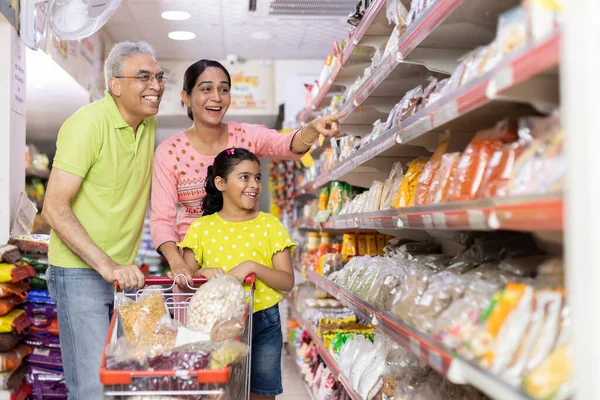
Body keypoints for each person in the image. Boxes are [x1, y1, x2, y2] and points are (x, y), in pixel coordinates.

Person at [42, 41, 165, 400]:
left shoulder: (148, 122)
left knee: (129, 380)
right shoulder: (87, 125)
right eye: (143, 77)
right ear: (115, 84)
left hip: (122, 274)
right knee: (93, 388)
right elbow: (54, 208)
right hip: (80, 271)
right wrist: (107, 265)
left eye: (159, 77)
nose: (156, 85)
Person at [150, 59, 345, 285]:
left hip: (248, 271)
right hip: (196, 272)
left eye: (224, 89)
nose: (217, 97)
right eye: (206, 89)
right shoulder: (169, 152)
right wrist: (177, 262)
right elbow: (162, 220)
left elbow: (284, 145)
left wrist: (311, 130)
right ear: (187, 98)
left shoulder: (246, 135)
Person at [178, 147, 295, 399]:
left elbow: (286, 281)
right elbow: (185, 280)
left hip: (263, 320)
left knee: (261, 393)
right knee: (218, 391)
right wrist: (201, 271)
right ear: (220, 183)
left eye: (257, 177)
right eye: (244, 177)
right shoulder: (201, 228)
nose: (253, 184)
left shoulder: (269, 225)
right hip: (216, 324)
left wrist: (252, 266)